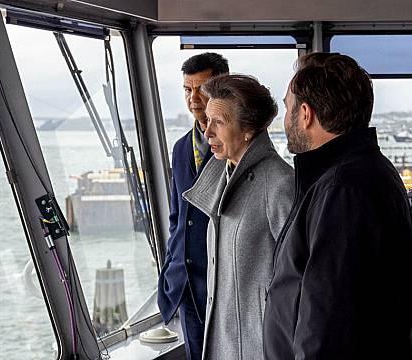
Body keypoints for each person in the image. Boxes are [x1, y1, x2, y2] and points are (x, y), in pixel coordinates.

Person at [263, 52, 412, 359]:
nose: (285, 119)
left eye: (288, 107)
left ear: (306, 114)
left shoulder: (342, 190)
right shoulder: (359, 173)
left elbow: (328, 322)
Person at [183, 74, 294, 359]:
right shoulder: (222, 173)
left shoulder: (280, 184)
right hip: (223, 340)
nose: (207, 133)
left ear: (248, 130)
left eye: (218, 122)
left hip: (259, 346)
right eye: (207, 121)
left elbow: (299, 283)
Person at [157, 52, 228, 360]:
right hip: (186, 284)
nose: (194, 97)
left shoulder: (237, 146)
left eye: (202, 88)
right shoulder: (181, 148)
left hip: (223, 284)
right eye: (188, 89)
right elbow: (177, 217)